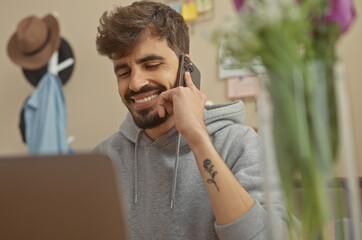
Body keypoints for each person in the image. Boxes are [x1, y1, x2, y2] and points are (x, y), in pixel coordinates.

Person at [93, 1, 287, 239]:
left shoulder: (240, 145)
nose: (134, 83)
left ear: (187, 67)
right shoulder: (103, 159)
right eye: (123, 72)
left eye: (151, 65)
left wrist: (197, 136)